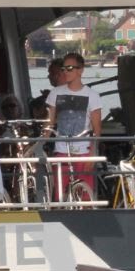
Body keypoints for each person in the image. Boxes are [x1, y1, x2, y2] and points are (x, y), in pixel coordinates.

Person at [45, 52, 102, 199]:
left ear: (81, 70)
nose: (66, 71)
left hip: (83, 152)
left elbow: (97, 129)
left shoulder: (93, 96)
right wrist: (39, 143)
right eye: (64, 68)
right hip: (61, 150)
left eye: (70, 68)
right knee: (60, 195)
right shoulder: (55, 93)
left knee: (85, 195)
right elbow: (49, 124)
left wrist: (92, 153)